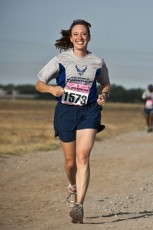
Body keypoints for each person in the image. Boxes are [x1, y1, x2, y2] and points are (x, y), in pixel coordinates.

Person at [35, 19, 110, 224]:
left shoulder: (97, 61)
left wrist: (104, 94)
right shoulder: (60, 59)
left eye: (84, 34)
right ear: (71, 38)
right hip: (66, 112)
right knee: (70, 163)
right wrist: (51, 89)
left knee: (83, 156)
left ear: (89, 37)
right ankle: (72, 186)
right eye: (76, 34)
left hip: (89, 111)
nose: (80, 37)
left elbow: (105, 83)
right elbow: (39, 84)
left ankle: (79, 205)